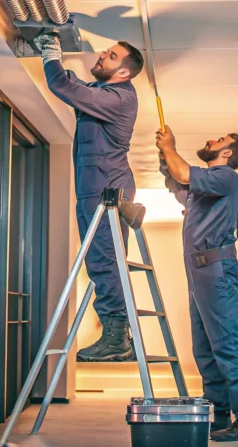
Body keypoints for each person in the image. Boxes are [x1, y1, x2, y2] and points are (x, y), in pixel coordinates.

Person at [34, 33, 144, 362]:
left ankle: (115, 335)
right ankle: (114, 329)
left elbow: (65, 87)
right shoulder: (102, 92)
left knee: (104, 261)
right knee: (98, 261)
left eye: (111, 56)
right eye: (107, 52)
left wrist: (51, 54)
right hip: (93, 186)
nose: (102, 56)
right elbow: (76, 86)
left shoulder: (119, 98)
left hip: (106, 187)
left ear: (123, 72)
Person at [155, 126, 238, 442]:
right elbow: (178, 182)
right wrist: (165, 155)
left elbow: (185, 174)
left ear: (226, 153)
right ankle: (220, 415)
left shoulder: (227, 177)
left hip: (215, 270)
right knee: (205, 348)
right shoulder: (207, 187)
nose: (212, 141)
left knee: (229, 344)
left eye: (220, 141)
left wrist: (172, 146)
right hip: (200, 273)